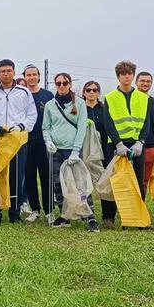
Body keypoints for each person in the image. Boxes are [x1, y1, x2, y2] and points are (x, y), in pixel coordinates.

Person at [42, 73, 100, 232]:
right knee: (58, 183)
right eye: (58, 83)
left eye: (65, 83)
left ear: (70, 85)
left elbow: (81, 128)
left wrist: (75, 151)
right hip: (55, 150)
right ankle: (65, 215)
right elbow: (46, 127)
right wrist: (48, 141)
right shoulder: (50, 105)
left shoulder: (79, 103)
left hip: (72, 149)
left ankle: (90, 216)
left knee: (80, 183)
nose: (61, 86)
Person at [0, 59, 37, 224]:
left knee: (16, 176)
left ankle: (15, 213)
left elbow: (32, 115)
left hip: (17, 141)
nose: (6, 74)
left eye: (9, 70)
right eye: (2, 71)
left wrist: (21, 126)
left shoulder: (24, 92)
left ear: (14, 72)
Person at [103, 60, 152, 220]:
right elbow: (108, 123)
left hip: (136, 145)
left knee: (138, 181)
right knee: (114, 180)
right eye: (123, 74)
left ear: (133, 76)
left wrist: (141, 142)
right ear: (118, 76)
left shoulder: (143, 98)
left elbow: (146, 122)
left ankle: (136, 218)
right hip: (116, 145)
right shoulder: (110, 97)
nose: (126, 77)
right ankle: (109, 217)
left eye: (129, 74)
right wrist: (118, 143)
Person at [83, 81, 118, 228]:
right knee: (84, 183)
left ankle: (108, 217)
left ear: (98, 93)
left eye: (95, 90)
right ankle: (86, 214)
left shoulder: (105, 110)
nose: (91, 92)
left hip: (105, 152)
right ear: (84, 92)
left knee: (107, 183)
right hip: (84, 152)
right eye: (88, 90)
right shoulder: (79, 109)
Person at [22, 64, 54, 223]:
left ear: (39, 76)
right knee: (29, 177)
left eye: (34, 74)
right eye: (28, 75)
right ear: (24, 77)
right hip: (25, 142)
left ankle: (49, 211)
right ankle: (35, 209)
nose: (32, 77)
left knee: (46, 177)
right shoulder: (21, 94)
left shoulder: (48, 95)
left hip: (43, 142)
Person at [136, 71, 154, 194]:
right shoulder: (130, 100)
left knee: (144, 180)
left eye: (148, 81)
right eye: (142, 81)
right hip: (132, 145)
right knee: (131, 180)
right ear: (136, 82)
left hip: (150, 146)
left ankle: (141, 204)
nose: (145, 83)